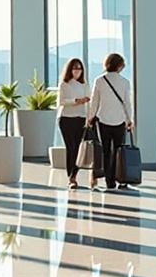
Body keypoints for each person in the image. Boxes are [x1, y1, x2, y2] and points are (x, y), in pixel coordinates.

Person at [93, 51, 135, 192]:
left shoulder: (99, 81)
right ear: (119, 66)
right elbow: (127, 103)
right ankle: (122, 179)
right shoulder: (125, 82)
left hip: (103, 120)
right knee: (119, 151)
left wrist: (90, 117)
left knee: (106, 151)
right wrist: (130, 119)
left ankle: (109, 181)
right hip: (120, 120)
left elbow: (95, 102)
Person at [56, 56, 94, 186]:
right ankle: (70, 177)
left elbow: (89, 103)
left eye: (79, 68)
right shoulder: (64, 84)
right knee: (70, 148)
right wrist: (76, 101)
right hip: (66, 119)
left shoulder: (85, 85)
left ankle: (74, 176)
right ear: (69, 70)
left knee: (78, 149)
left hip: (81, 119)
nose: (77, 71)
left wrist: (89, 118)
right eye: (74, 68)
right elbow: (61, 102)